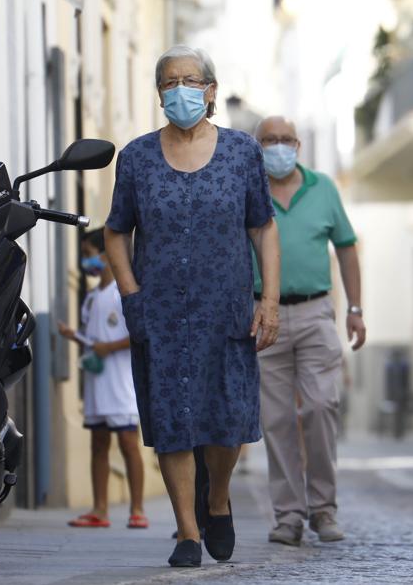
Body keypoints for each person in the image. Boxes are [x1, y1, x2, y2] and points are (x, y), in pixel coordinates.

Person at [104, 45, 281, 568]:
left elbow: (262, 226)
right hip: (159, 311)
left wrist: (268, 299)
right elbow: (117, 234)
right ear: (160, 94)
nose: (180, 89)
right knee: (171, 418)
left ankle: (217, 499)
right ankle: (185, 530)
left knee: (227, 419)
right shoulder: (135, 157)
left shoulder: (242, 152)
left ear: (210, 90)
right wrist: (131, 296)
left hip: (226, 307)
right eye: (169, 82)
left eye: (190, 80)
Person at [253, 116, 365, 547]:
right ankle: (288, 516)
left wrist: (354, 308)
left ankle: (323, 509)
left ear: (297, 145)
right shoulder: (250, 189)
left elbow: (347, 248)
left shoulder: (323, 189)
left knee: (320, 407)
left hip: (317, 311)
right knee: (276, 419)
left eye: (285, 140)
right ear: (257, 146)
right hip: (264, 314)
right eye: (269, 141)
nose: (278, 147)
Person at [58, 229, 147, 530]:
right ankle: (100, 508)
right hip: (97, 382)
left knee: (128, 442)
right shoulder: (91, 297)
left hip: (121, 383)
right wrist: (75, 337)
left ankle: (137, 508)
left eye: (89, 253)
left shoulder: (125, 292)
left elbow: (137, 335)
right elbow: (92, 338)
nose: (87, 261)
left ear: (107, 253)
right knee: (98, 443)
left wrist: (108, 347)